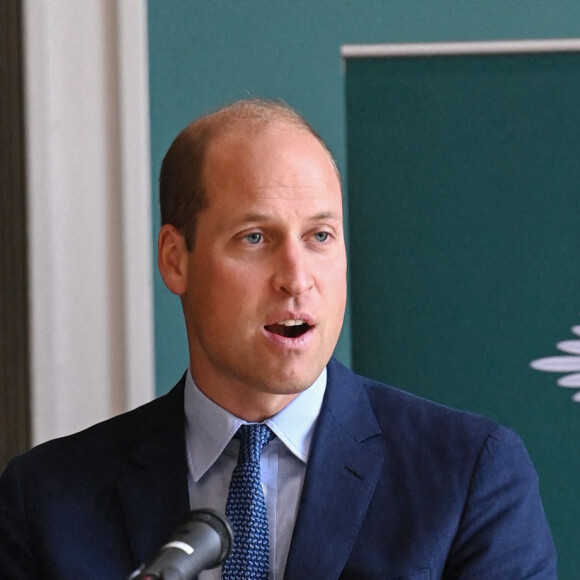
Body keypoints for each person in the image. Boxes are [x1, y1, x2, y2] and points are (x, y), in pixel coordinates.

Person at [0, 99, 556, 579]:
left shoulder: (467, 474)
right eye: (256, 237)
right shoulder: (46, 499)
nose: (295, 276)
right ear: (176, 259)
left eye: (319, 236)